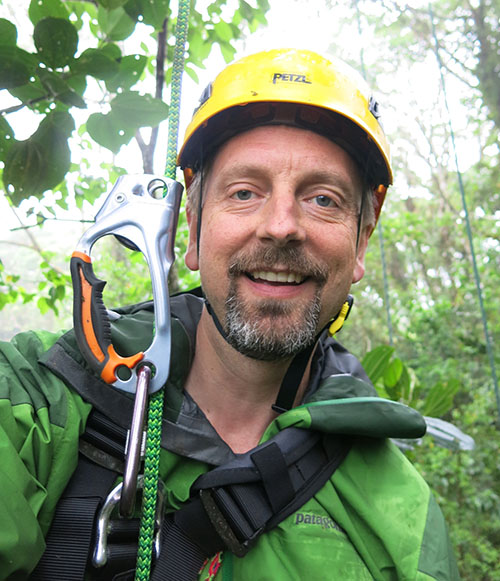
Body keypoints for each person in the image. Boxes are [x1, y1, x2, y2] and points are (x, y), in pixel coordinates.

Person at [0, 48, 459, 580]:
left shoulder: (402, 517)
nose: (281, 225)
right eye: (244, 192)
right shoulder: (38, 402)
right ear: (191, 230)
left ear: (362, 241)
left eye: (324, 200)